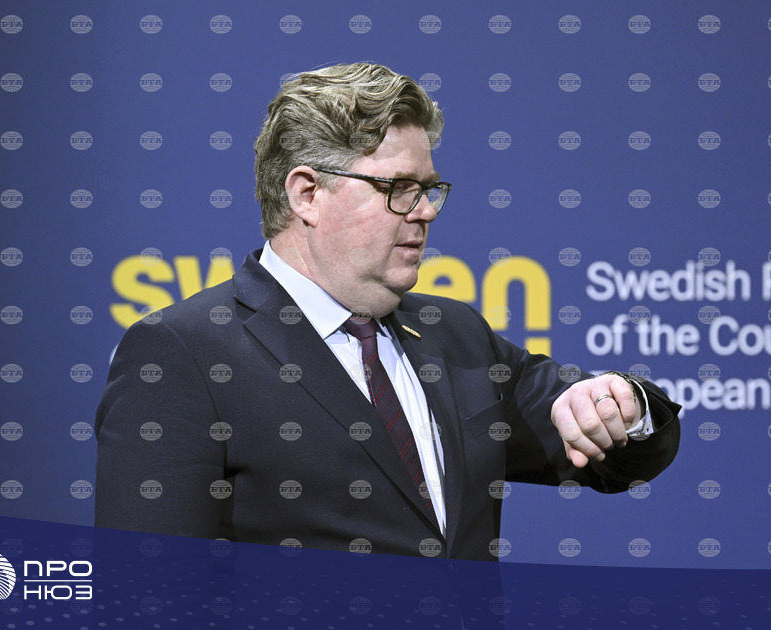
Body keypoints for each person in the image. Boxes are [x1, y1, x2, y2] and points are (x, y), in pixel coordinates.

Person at [94, 62, 681, 561]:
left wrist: (624, 405)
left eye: (428, 188)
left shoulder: (455, 335)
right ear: (306, 194)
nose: (425, 211)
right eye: (398, 187)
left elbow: (619, 461)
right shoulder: (185, 353)